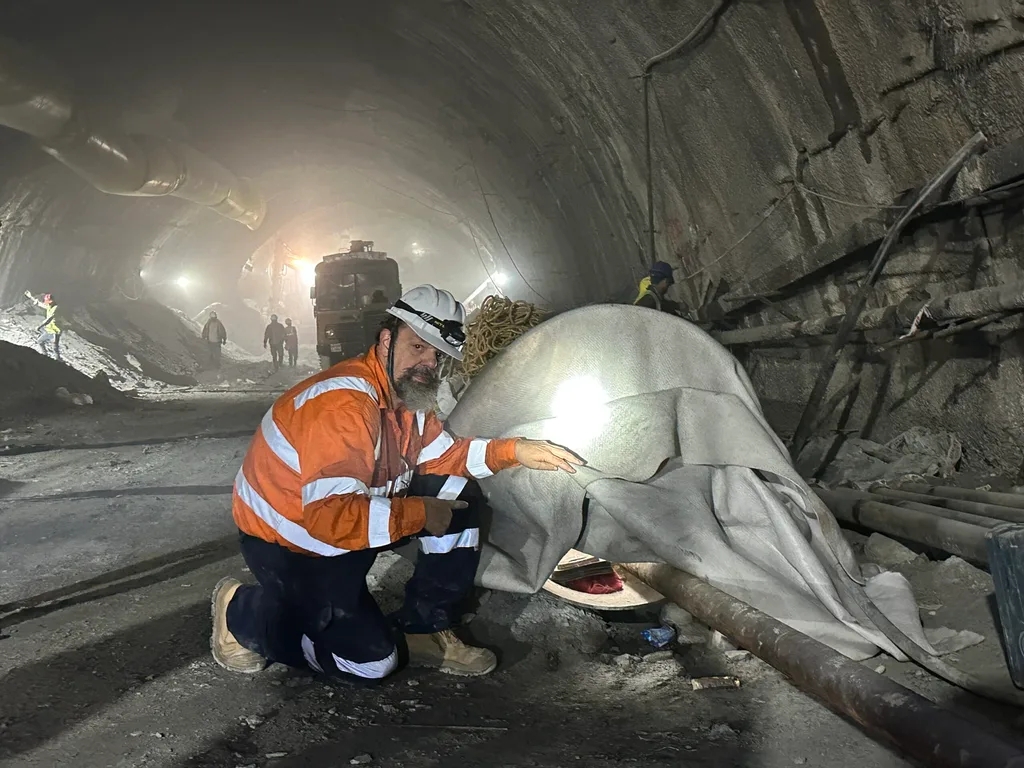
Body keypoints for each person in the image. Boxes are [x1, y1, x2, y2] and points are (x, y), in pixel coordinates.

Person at [212, 284, 582, 682]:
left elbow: (445, 457)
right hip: (295, 545)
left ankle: (424, 627)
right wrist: (422, 514)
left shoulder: (407, 400)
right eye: (418, 347)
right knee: (371, 665)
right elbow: (330, 521)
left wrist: (514, 451)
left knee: (457, 493)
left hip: (342, 531)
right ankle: (240, 611)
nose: (428, 363)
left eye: (438, 355)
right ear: (387, 340)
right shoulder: (343, 405)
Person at [24, 290, 63, 361]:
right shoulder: (50, 306)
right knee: (40, 341)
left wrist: (39, 326)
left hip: (55, 332)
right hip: (49, 330)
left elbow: (49, 319)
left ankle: (59, 361)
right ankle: (45, 356)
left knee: (55, 348)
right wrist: (31, 297)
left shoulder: (56, 308)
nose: (47, 304)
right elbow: (41, 304)